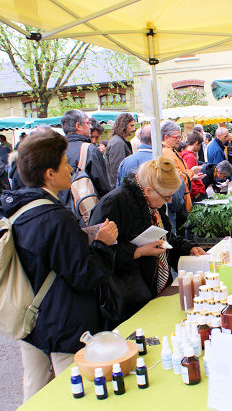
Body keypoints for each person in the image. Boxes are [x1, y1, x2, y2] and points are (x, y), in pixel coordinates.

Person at [0, 126, 117, 402]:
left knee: (35, 387)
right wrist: (103, 244)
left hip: (29, 314)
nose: (70, 170)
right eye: (64, 164)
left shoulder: (17, 209)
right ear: (50, 173)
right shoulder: (56, 218)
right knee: (72, 390)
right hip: (63, 321)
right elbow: (84, 275)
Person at [89, 157, 205, 326]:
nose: (169, 201)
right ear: (148, 190)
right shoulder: (113, 204)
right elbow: (96, 256)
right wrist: (137, 252)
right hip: (128, 302)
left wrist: (188, 249)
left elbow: (166, 238)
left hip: (151, 292)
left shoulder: (151, 205)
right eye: (166, 197)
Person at [58, 109, 110, 212]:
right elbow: (103, 188)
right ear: (78, 126)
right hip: (86, 214)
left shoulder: (55, 149)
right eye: (88, 123)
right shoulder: (90, 150)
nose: (90, 127)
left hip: (61, 213)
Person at [161, 120, 204, 215]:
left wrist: (192, 176)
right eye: (177, 137)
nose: (179, 140)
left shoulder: (171, 151)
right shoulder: (167, 153)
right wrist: (192, 172)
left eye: (180, 137)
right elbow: (177, 178)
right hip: (177, 201)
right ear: (166, 137)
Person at [105, 113, 135, 188]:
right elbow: (117, 171)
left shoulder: (118, 141)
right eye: (131, 125)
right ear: (123, 126)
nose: (133, 129)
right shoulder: (118, 143)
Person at [181, 132, 206, 201]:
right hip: (195, 193)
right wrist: (196, 194)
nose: (200, 147)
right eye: (200, 145)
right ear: (196, 143)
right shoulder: (190, 157)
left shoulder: (184, 154)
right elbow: (190, 176)